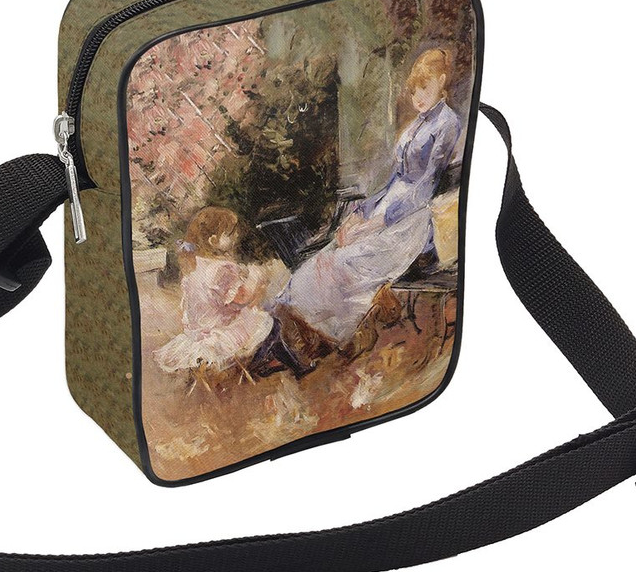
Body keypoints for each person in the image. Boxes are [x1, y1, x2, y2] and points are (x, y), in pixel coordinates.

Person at [273, 48, 462, 361]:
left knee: (345, 262)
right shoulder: (415, 125)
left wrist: (378, 222)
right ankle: (301, 325)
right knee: (330, 252)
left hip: (413, 220)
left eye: (424, 88)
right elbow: (394, 181)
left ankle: (323, 334)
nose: (417, 97)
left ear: (441, 81)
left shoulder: (447, 123)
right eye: (414, 90)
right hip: (389, 206)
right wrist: (359, 214)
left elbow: (425, 188)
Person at [153, 207, 274, 383]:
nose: (236, 236)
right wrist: (255, 278)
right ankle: (262, 366)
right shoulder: (221, 270)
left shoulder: (194, 269)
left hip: (196, 334)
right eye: (230, 234)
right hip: (220, 333)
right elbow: (241, 299)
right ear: (214, 240)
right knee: (266, 320)